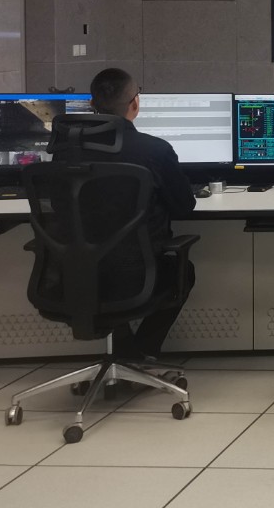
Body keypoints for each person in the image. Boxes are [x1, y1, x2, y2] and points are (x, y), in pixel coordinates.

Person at [85, 67, 197, 360]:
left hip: (75, 274)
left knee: (105, 273)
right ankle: (142, 351)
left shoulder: (66, 152)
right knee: (182, 271)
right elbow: (184, 206)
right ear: (135, 103)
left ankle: (126, 352)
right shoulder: (155, 150)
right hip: (140, 274)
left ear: (92, 104)